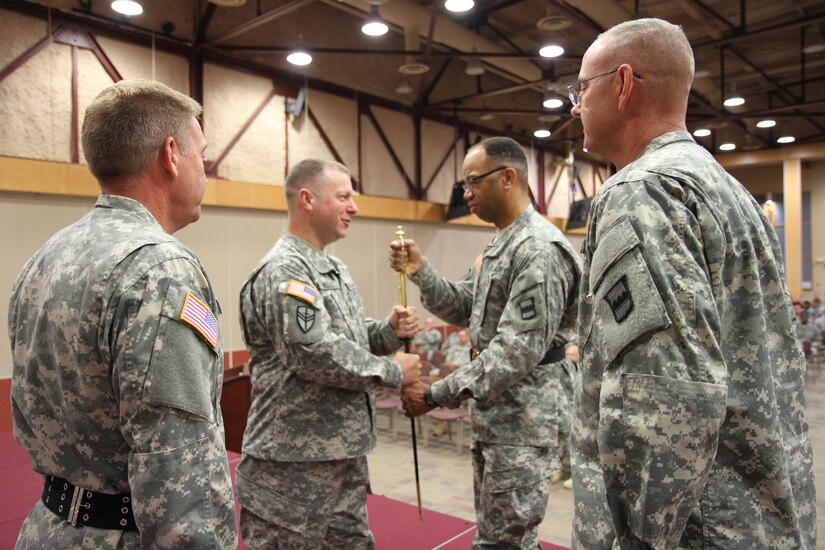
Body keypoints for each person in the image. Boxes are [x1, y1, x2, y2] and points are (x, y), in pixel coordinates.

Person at [570, 18, 816, 549]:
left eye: (582, 88)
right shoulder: (730, 193)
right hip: (755, 516)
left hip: (696, 529)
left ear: (623, 83)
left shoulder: (643, 191)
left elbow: (661, 396)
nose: (575, 105)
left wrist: (639, 539)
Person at [8, 80, 238, 548]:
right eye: (202, 155)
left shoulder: (47, 256)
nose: (205, 171)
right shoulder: (161, 268)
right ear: (171, 155)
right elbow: (178, 463)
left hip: (49, 529)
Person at [390, 136, 582, 549]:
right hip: (497, 415)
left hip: (525, 418)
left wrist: (437, 393)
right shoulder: (501, 244)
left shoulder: (537, 249)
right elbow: (464, 306)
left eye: (473, 182)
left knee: (506, 540)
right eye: (465, 185)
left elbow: (517, 350)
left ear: (508, 177)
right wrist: (421, 271)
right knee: (497, 534)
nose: (466, 194)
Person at [236, 159, 422, 548]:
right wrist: (391, 371)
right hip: (291, 465)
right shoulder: (285, 269)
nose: (353, 207)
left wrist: (387, 331)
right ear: (307, 199)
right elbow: (314, 351)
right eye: (343, 197)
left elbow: (347, 340)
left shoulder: (331, 266)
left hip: (342, 456)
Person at [552, 341, 578, 490]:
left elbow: (572, 390)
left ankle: (575, 473)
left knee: (568, 433)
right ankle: (558, 469)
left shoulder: (566, 364)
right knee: (556, 433)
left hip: (569, 404)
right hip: (555, 396)